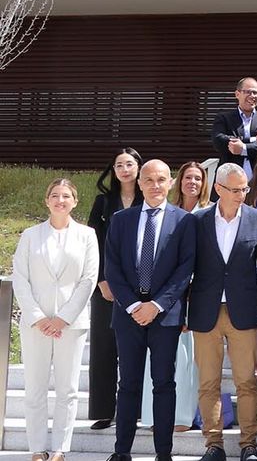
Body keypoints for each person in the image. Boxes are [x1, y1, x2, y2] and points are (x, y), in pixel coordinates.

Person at [104, 159, 197, 461]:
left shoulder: (184, 221)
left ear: (170, 183)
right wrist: (134, 305)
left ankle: (163, 452)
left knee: (164, 383)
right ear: (139, 183)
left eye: (161, 180)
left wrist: (156, 305)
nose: (155, 186)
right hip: (128, 314)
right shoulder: (121, 219)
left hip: (164, 315)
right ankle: (121, 451)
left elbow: (185, 269)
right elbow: (112, 268)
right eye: (149, 180)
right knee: (128, 384)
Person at [188, 162, 257, 461]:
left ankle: (249, 445)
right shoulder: (198, 221)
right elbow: (186, 267)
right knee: (208, 382)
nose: (241, 195)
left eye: (244, 189)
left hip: (244, 311)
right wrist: (183, 309)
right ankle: (214, 445)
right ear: (218, 189)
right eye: (235, 190)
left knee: (246, 381)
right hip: (205, 311)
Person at [14, 178, 98, 461]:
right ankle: (37, 448)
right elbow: (20, 278)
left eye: (66, 196)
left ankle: (60, 448)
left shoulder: (87, 235)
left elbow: (88, 280)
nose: (60, 200)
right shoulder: (30, 235)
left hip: (71, 325)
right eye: (55, 195)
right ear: (46, 201)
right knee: (35, 388)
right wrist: (38, 318)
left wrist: (63, 318)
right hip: (35, 325)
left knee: (67, 389)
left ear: (75, 201)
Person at [88, 149, 141, 430]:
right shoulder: (103, 202)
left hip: (140, 288)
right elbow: (92, 243)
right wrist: (101, 280)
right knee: (104, 348)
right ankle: (103, 410)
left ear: (138, 167)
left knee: (136, 350)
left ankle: (137, 409)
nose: (124, 169)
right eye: (119, 165)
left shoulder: (149, 199)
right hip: (106, 286)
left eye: (129, 164)